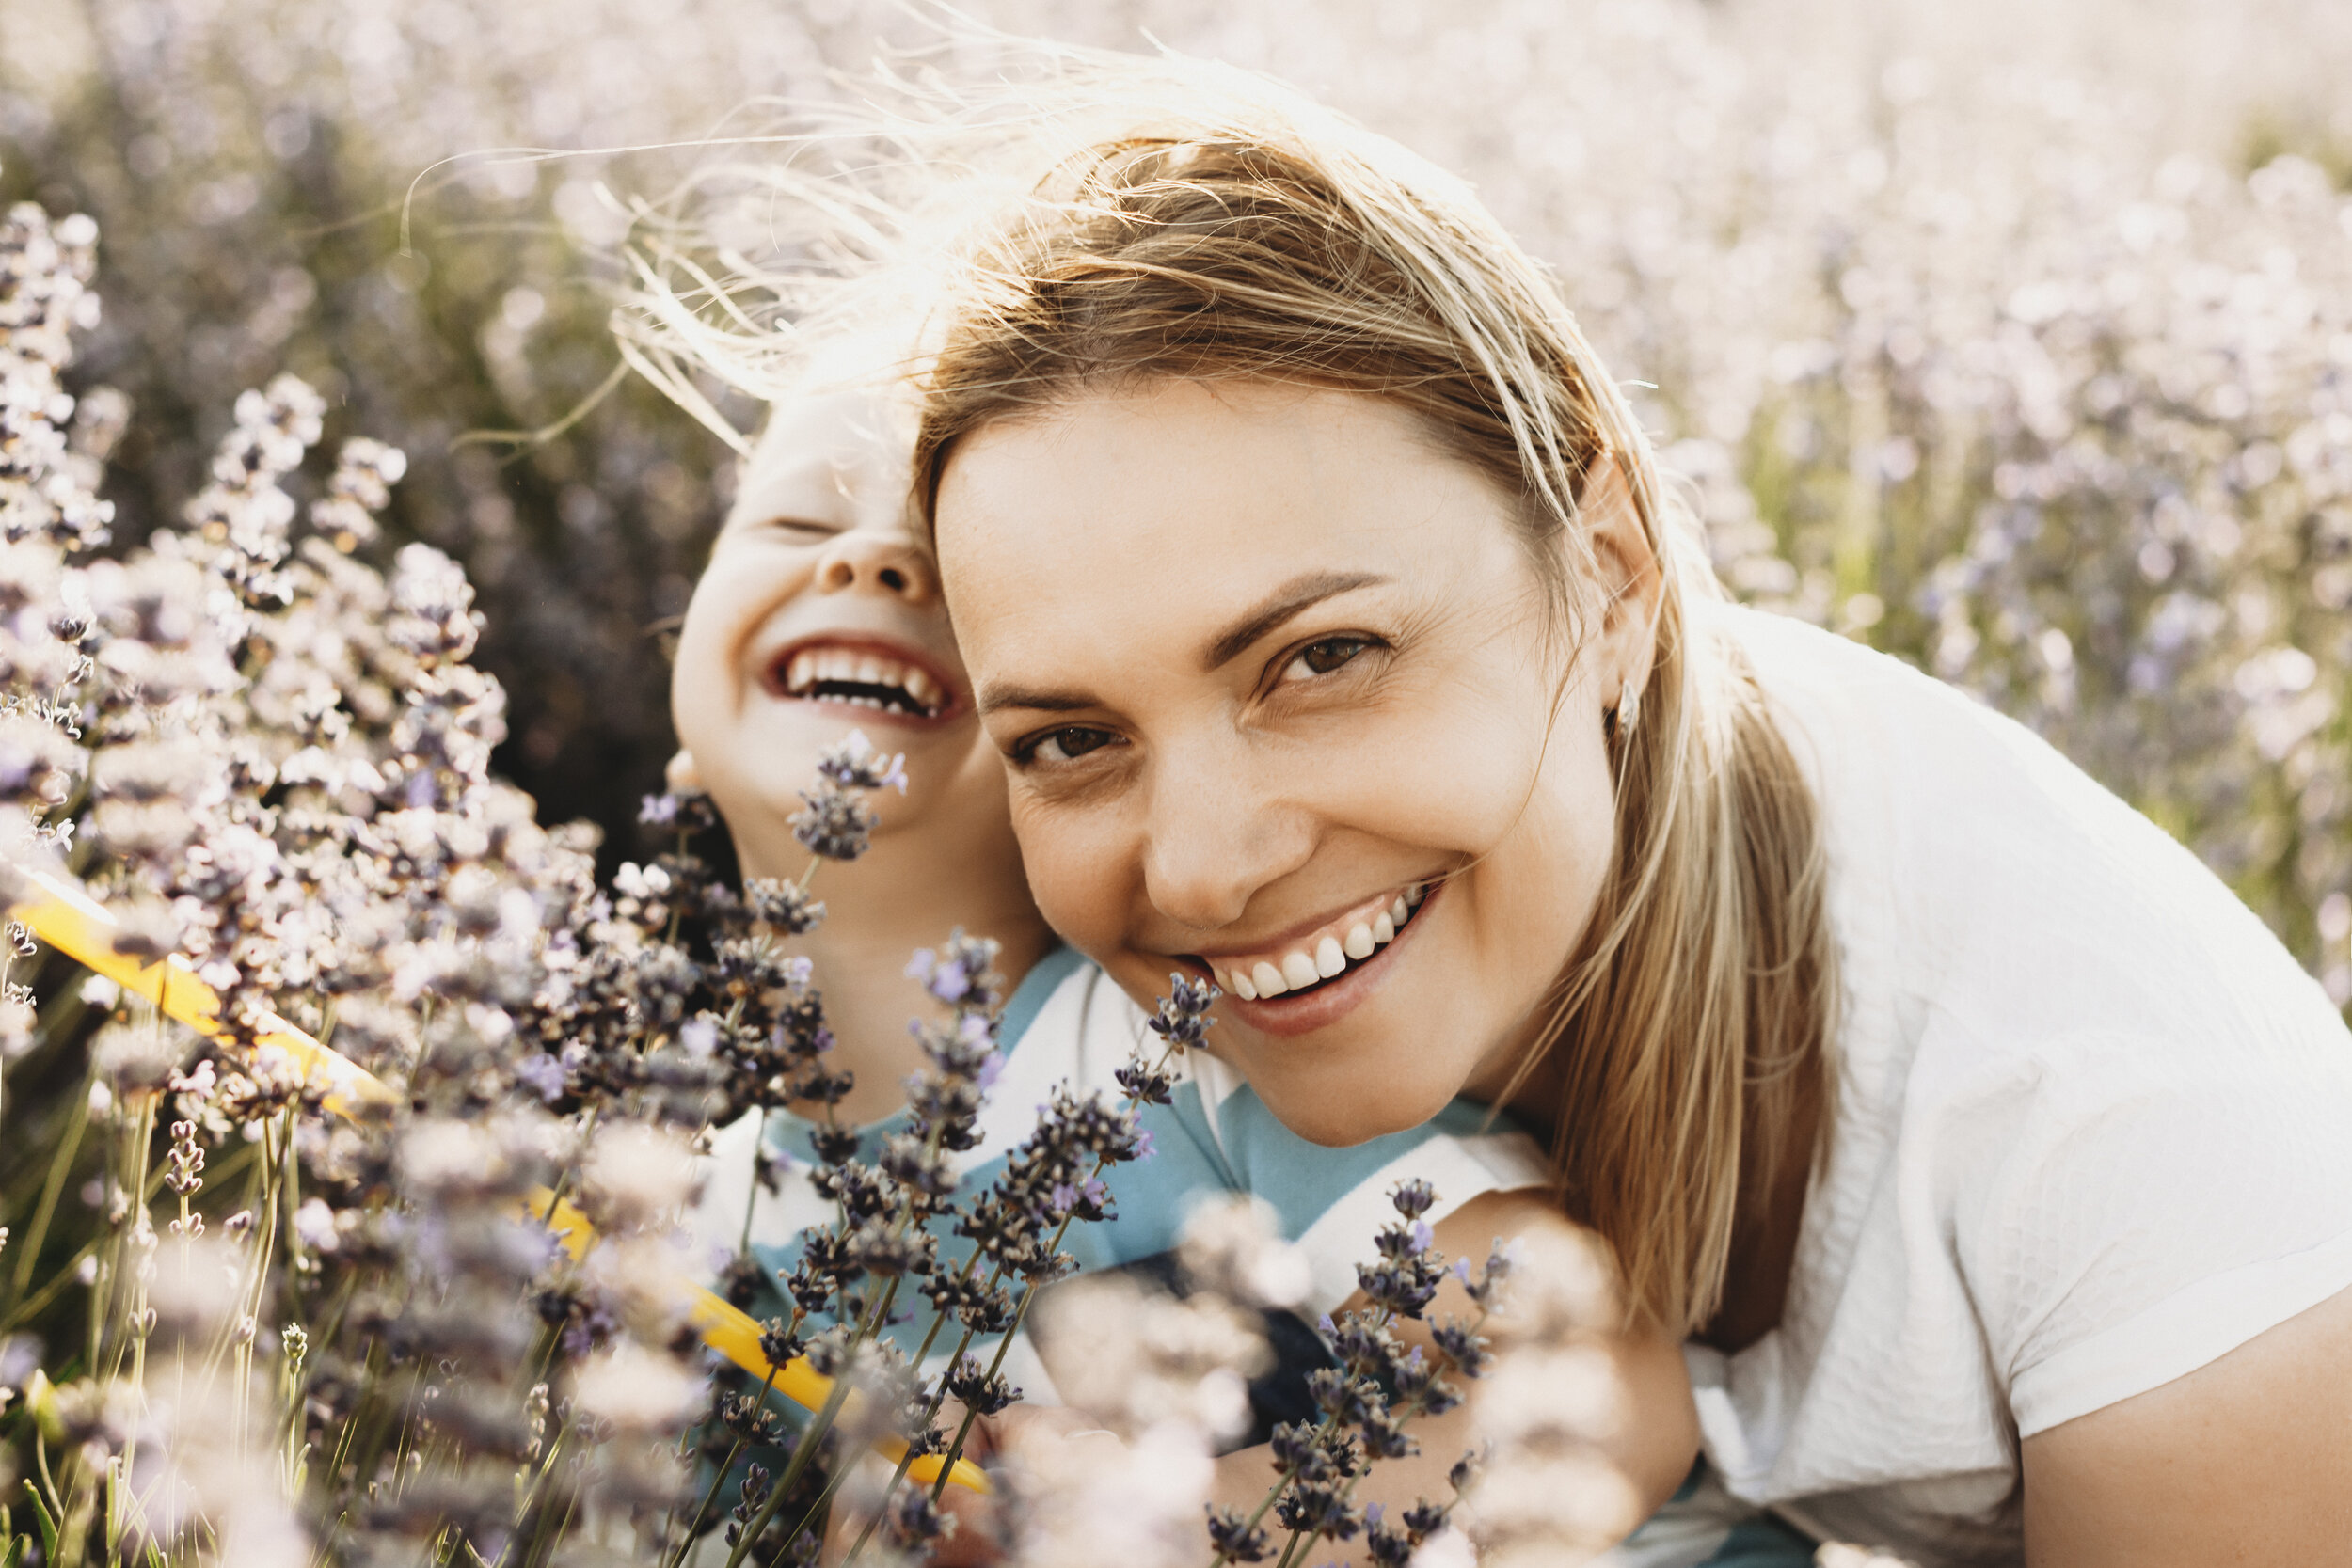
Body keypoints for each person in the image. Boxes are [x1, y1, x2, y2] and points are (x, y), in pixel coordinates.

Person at [908, 66, 2352, 1566]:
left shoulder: (2138, 1157)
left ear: (1607, 572)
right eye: (1073, 737)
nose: (1202, 869)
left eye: (1323, 658)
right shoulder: (1086, 993)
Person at [661, 361, 1703, 1560]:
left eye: (941, 574)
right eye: (795, 521)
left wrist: (1185, 1529)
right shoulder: (702, 1233)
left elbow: (1605, 1378)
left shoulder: (1197, 1048)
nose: (866, 563)